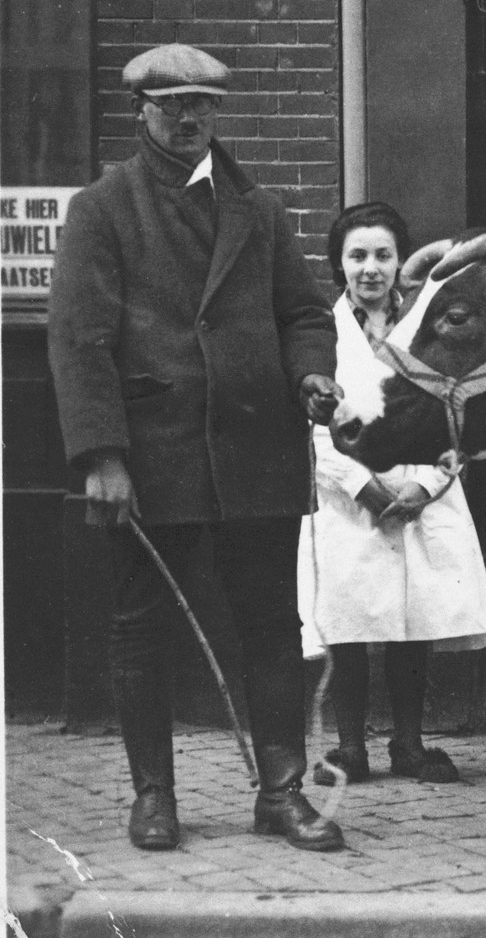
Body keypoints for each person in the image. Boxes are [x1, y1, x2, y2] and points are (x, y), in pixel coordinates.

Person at [48, 43, 346, 852]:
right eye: (170, 103)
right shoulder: (104, 208)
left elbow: (305, 314)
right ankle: (155, 797)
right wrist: (102, 455)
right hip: (153, 454)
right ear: (141, 110)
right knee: (142, 626)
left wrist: (311, 377)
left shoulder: (264, 209)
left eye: (202, 105)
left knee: (271, 627)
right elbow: (80, 340)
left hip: (258, 450)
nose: (187, 118)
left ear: (218, 111)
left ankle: (281, 793)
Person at [301, 203, 486, 786]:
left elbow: (459, 406)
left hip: (419, 494)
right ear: (339, 265)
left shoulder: (425, 323)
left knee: (411, 624)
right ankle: (350, 749)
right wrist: (363, 486)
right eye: (357, 256)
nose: (371, 269)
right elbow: (315, 423)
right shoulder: (323, 332)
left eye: (383, 255)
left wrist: (426, 484)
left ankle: (409, 745)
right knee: (352, 622)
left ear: (400, 261)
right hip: (347, 499)